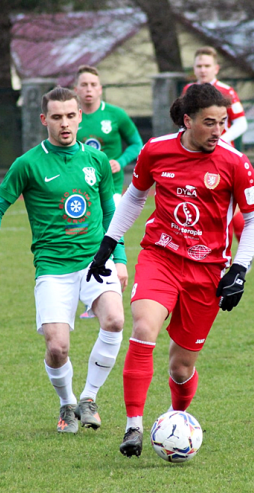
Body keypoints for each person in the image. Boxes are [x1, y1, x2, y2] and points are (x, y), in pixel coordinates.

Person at [86, 83, 254, 457]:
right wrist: (109, 241)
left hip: (207, 271)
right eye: (209, 123)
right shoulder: (156, 150)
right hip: (161, 257)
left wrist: (239, 270)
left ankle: (176, 420)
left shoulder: (234, 162)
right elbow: (135, 196)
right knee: (144, 327)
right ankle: (133, 425)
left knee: (181, 368)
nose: (218, 131)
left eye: (223, 122)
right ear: (187, 120)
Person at [0, 87, 127, 434]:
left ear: (80, 117)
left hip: (95, 261)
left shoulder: (96, 161)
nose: (65, 124)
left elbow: (110, 212)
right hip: (53, 268)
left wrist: (118, 257)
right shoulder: (28, 164)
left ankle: (89, 398)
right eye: (57, 117)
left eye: (71, 116)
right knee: (57, 347)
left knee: (116, 321)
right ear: (44, 120)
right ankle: (67, 404)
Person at [74, 64, 143, 319]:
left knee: (111, 233)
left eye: (93, 85)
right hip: (82, 191)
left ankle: (110, 286)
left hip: (111, 187)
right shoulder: (73, 117)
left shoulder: (115, 115)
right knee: (87, 236)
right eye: (84, 85)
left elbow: (137, 143)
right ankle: (94, 291)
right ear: (76, 89)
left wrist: (121, 161)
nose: (89, 89)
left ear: (101, 88)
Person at [182, 46, 249, 245]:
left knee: (225, 204)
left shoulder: (227, 91)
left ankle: (241, 249)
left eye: (207, 65)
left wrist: (221, 140)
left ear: (216, 68)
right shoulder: (188, 91)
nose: (203, 70)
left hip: (220, 159)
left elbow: (242, 122)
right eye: (199, 66)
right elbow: (183, 123)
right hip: (193, 157)